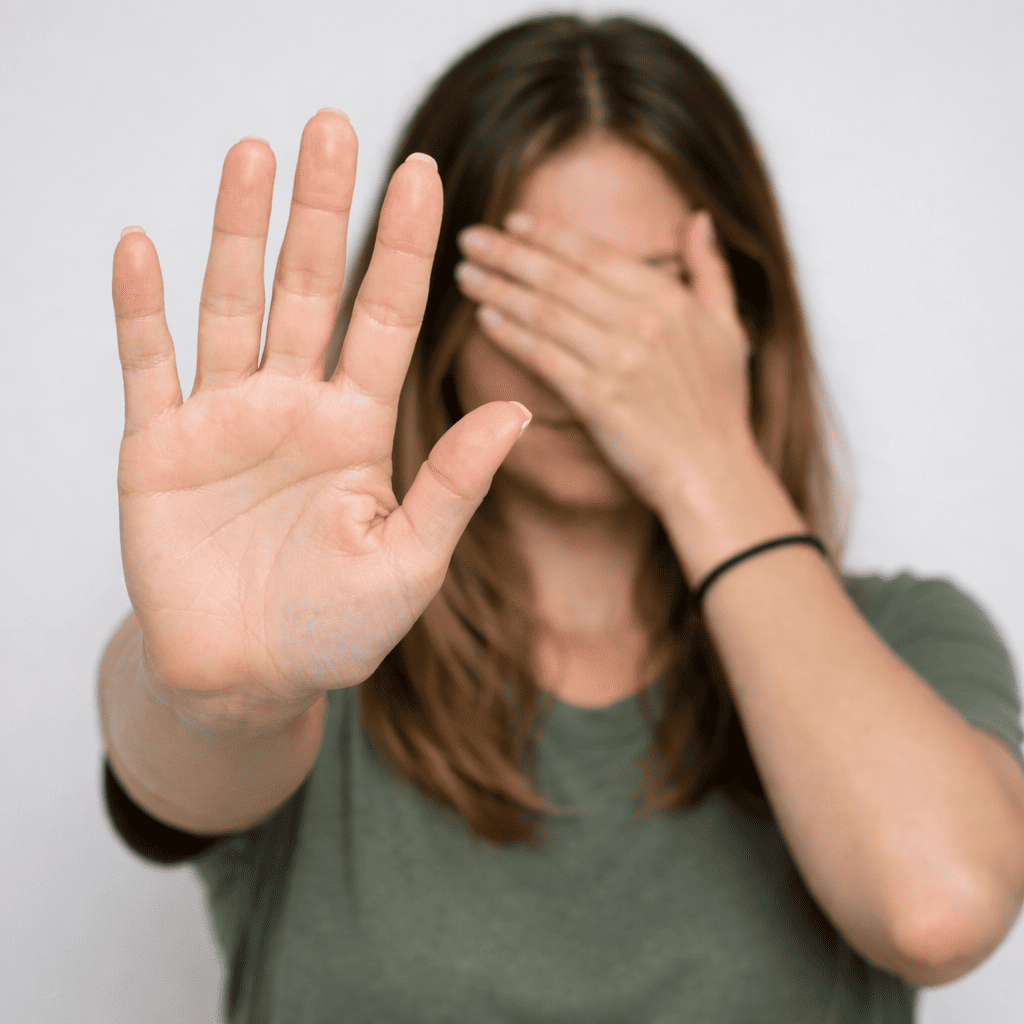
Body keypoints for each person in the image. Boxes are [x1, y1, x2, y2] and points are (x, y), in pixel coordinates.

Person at [98, 13, 1024, 1023]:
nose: (595, 356)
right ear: (436, 308)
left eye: (642, 298)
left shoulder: (904, 637)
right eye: (533, 286)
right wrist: (224, 699)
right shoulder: (319, 647)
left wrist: (705, 454)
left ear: (742, 314)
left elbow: (939, 910)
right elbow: (182, 752)